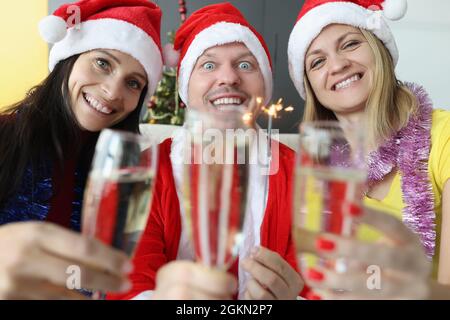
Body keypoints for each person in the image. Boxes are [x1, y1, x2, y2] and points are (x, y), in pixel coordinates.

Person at [109, 3, 305, 300]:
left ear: (263, 86)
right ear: (187, 88)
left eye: (245, 64)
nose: (228, 78)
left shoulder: (302, 172)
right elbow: (128, 284)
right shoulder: (141, 170)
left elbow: (318, 282)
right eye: (209, 65)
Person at [0, 0, 164, 299]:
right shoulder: (4, 135)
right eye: (103, 63)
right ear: (69, 59)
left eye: (133, 83)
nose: (113, 92)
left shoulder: (128, 173)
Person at [287, 0, 450, 299]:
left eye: (349, 44)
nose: (337, 65)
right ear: (311, 87)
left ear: (381, 50)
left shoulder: (444, 137)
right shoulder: (315, 173)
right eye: (317, 61)